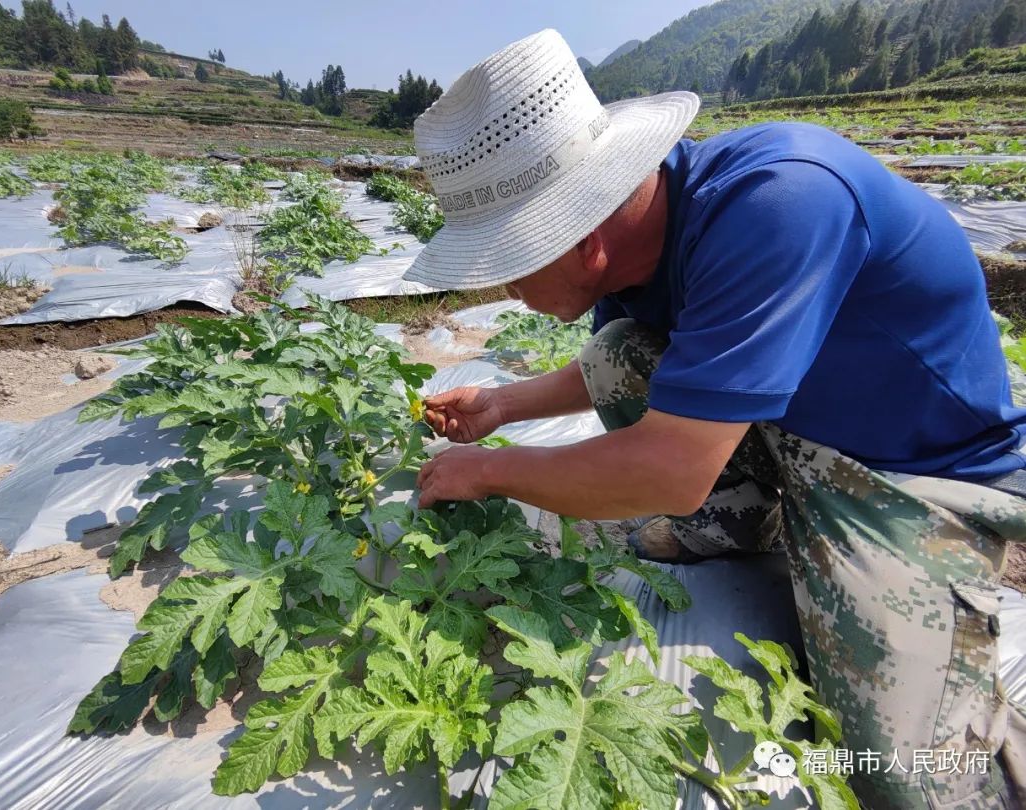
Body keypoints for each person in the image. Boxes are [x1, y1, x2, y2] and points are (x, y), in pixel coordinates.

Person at [403, 28, 1026, 810]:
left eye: (504, 263)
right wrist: (504, 404)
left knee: (905, 779)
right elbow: (640, 369)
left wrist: (488, 470)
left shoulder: (780, 204)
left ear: (583, 240)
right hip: (794, 427)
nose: (502, 290)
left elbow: (669, 466)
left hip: (909, 471)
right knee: (622, 351)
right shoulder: (645, 238)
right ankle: (743, 529)